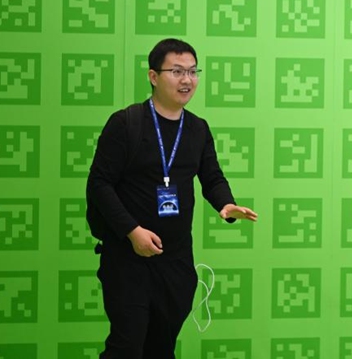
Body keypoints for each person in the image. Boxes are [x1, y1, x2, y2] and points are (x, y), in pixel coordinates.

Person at [86, 38, 258, 358]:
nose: (187, 80)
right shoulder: (126, 123)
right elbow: (99, 185)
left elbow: (212, 177)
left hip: (176, 262)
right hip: (128, 259)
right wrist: (132, 231)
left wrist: (226, 204)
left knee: (161, 349)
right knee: (127, 346)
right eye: (177, 71)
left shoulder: (197, 129)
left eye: (193, 71)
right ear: (153, 76)